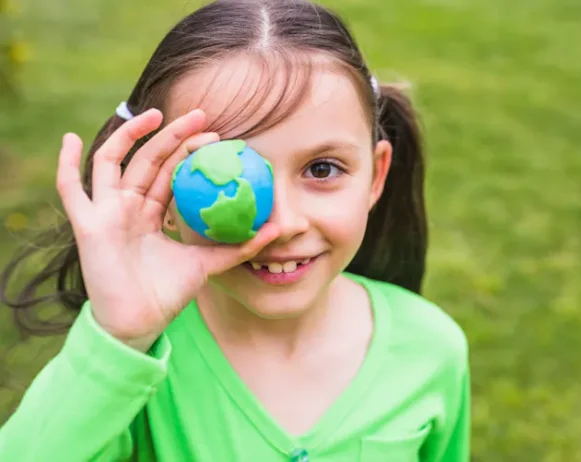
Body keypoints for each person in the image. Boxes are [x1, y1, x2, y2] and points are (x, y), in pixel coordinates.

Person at [0, 0, 470, 460]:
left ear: (376, 176)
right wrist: (118, 339)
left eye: (323, 169)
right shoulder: (135, 365)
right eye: (229, 171)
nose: (283, 225)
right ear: (160, 192)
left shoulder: (431, 349)